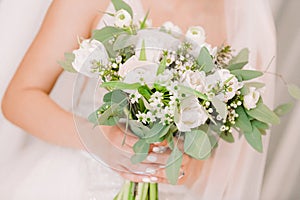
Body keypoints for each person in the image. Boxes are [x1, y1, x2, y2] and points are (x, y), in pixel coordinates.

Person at [0, 0, 276, 199]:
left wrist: (189, 168)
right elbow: (19, 98)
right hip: (74, 181)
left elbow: (233, 162)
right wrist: (98, 138)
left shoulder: (246, 25)